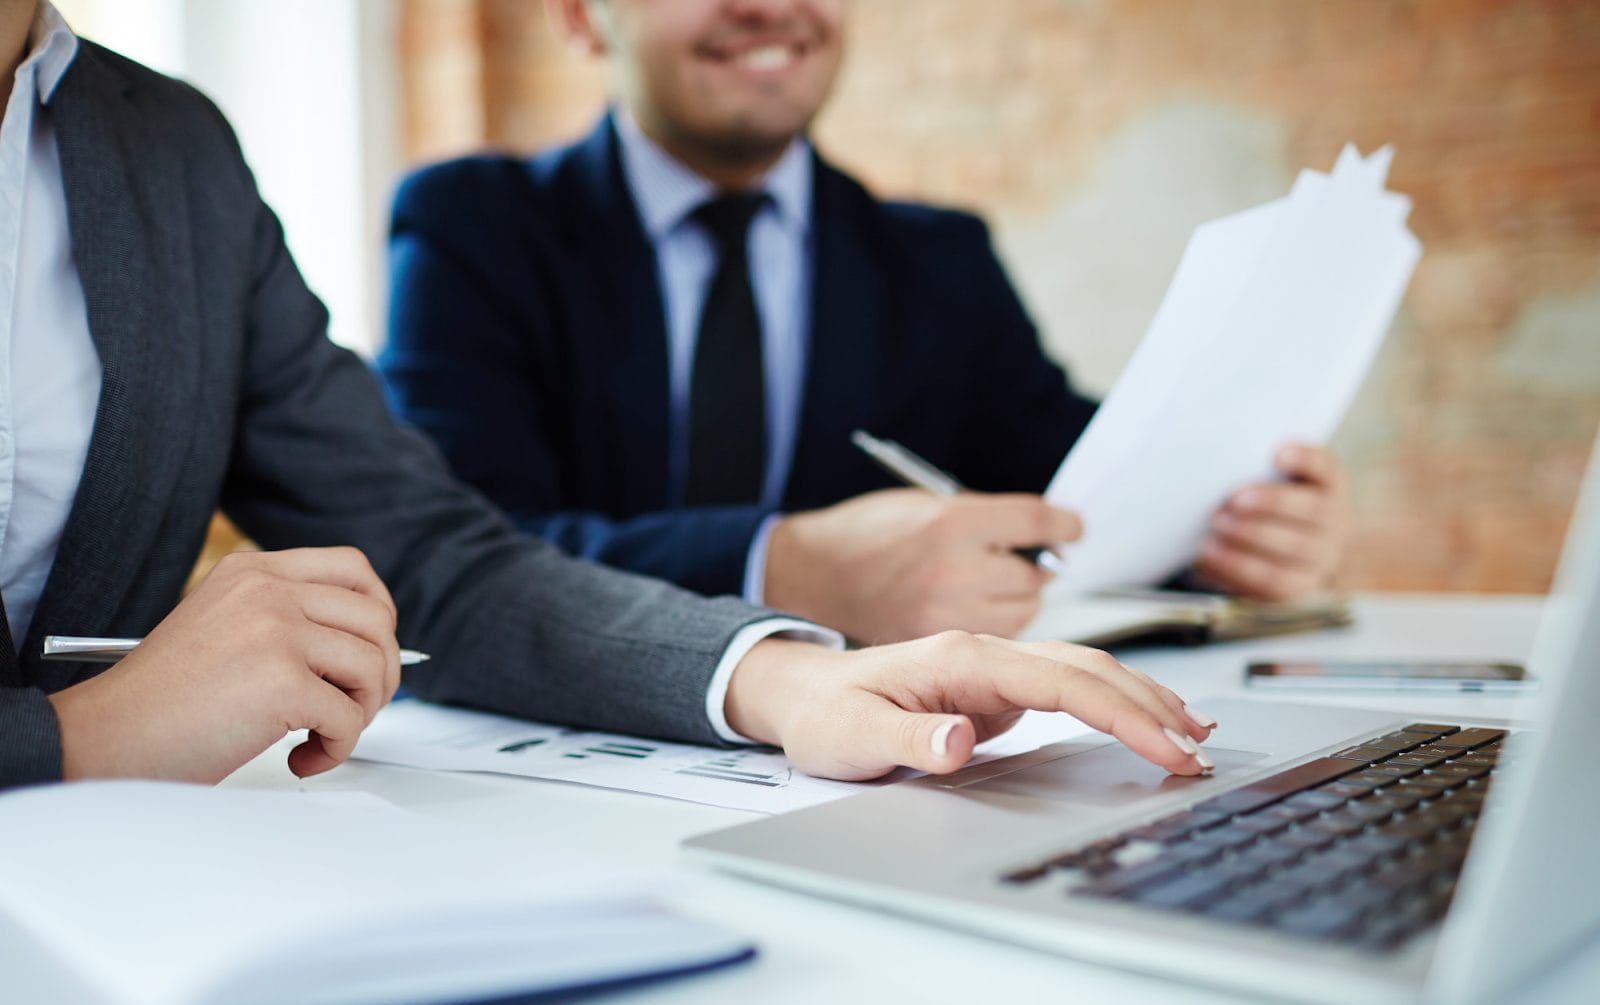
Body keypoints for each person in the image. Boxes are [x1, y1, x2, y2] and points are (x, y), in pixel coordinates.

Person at [0, 1, 1215, 791]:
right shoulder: (478, 221)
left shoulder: (169, 148)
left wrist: (787, 677)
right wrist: (83, 738)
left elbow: (436, 554)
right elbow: (492, 507)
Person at [378, 0, 1351, 648]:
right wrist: (780, 569)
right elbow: (449, 545)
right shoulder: (474, 229)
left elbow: (1078, 480)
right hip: (548, 758)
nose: (765, 4)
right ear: (583, 15)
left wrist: (1228, 528)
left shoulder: (938, 261)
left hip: (877, 774)